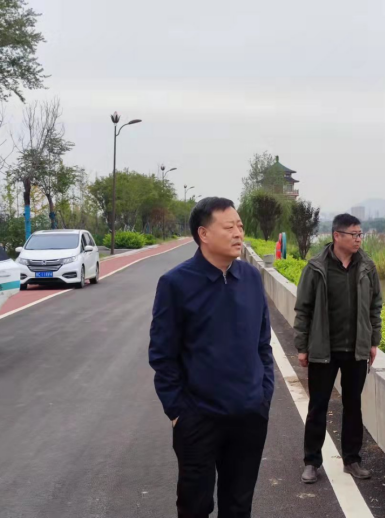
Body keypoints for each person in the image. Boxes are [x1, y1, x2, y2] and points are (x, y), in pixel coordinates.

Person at [148, 197, 274, 518]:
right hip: (198, 419)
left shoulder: (251, 278)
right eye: (229, 227)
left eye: (240, 226)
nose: (238, 233)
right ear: (203, 234)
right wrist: (178, 412)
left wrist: (263, 396)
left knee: (238, 506)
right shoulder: (176, 284)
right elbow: (162, 355)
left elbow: (262, 344)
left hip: (248, 416)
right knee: (195, 506)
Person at [294, 213, 382, 484]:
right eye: (353, 234)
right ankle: (312, 462)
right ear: (337, 236)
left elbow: (375, 306)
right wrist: (302, 346)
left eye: (360, 234)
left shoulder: (367, 266)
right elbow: (303, 309)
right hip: (324, 349)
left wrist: (373, 341)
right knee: (318, 406)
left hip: (355, 349)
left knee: (353, 406)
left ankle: (352, 460)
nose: (358, 239)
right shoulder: (316, 267)